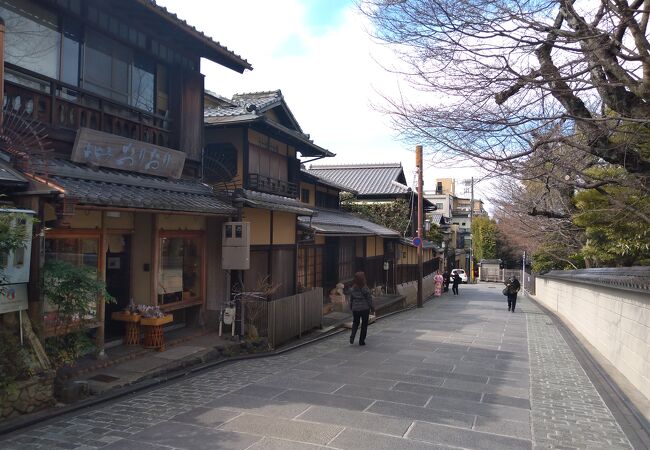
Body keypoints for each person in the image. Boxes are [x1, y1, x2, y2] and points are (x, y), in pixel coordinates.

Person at [347, 271, 375, 345]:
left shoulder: (352, 289)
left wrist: (351, 307)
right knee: (364, 324)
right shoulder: (365, 288)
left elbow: (351, 299)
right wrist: (372, 308)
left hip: (355, 308)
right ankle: (361, 341)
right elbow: (369, 299)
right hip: (364, 309)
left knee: (355, 322)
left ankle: (352, 336)